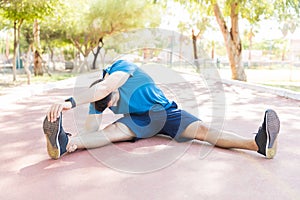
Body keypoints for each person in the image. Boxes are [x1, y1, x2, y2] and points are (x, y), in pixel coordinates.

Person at [43, 60, 280, 160]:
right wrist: (77, 137)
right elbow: (93, 128)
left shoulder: (120, 69)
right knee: (111, 132)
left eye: (111, 100)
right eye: (109, 106)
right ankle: (65, 145)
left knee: (205, 131)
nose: (113, 106)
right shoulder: (102, 100)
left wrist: (69, 102)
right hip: (138, 120)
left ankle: (258, 144)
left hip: (165, 112)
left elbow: (104, 87)